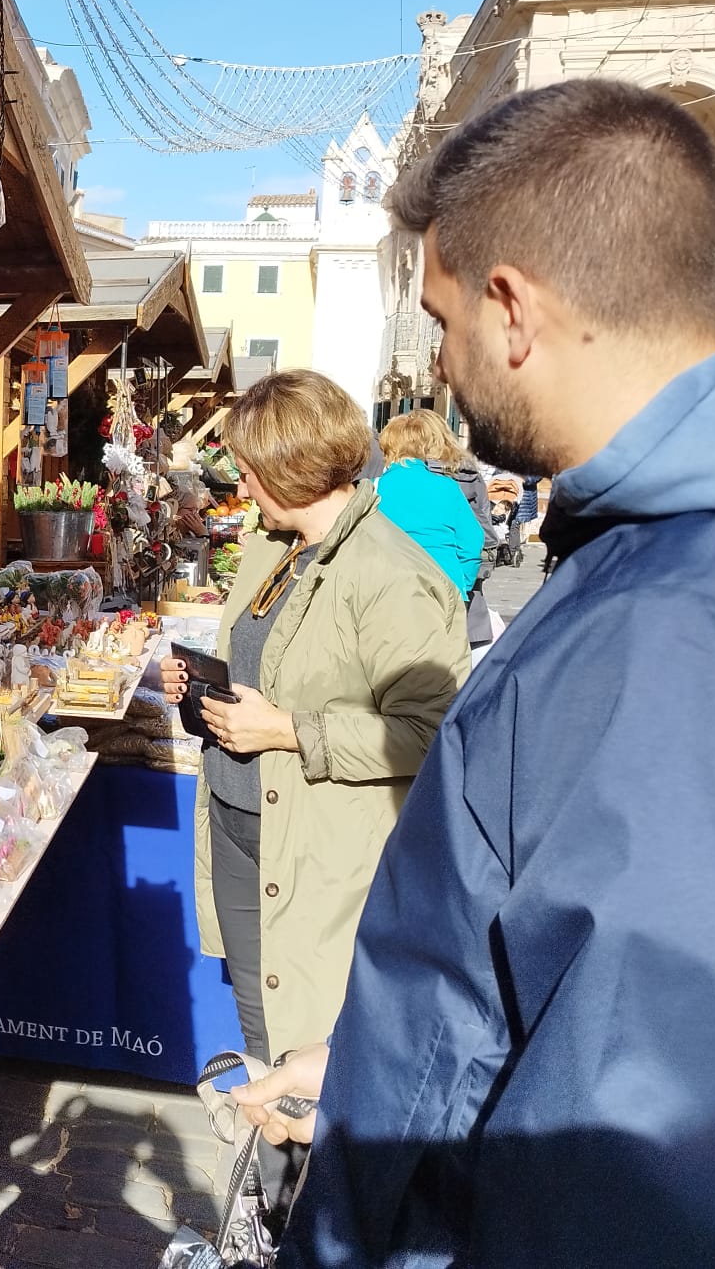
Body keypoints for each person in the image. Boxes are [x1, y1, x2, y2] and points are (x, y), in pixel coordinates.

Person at [232, 79, 715, 1265]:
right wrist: (370, 1063)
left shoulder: (686, 641)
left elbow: (645, 1162)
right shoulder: (688, 569)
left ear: (510, 310)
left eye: (441, 318)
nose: (441, 366)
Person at [181, 370, 468, 1069]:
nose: (240, 489)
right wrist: (199, 689)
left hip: (317, 858)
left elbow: (433, 734)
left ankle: (299, 1178)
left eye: (248, 473)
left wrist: (286, 730)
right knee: (264, 1043)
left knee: (309, 1057)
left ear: (291, 467)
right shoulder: (274, 550)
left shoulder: (392, 575)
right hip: (241, 829)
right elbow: (260, 670)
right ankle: (270, 1175)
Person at [374, 410, 488, 614]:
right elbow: (472, 539)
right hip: (443, 587)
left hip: (389, 588)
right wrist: (462, 583)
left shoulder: (375, 488)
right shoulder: (447, 487)